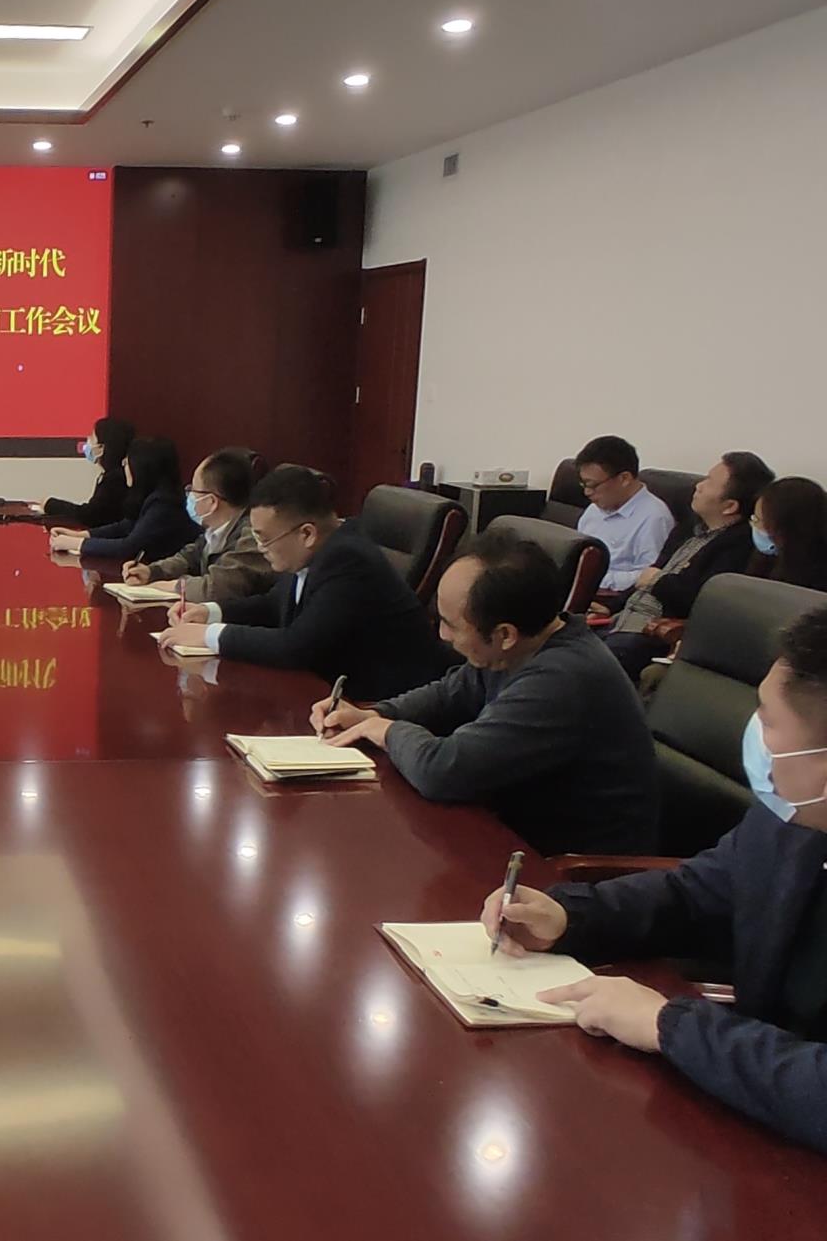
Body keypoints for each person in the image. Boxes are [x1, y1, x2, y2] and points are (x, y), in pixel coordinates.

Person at [477, 605, 827, 1152]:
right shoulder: (794, 814)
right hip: (751, 1117)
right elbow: (697, 892)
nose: (754, 735)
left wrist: (671, 1025)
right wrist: (571, 918)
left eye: (769, 720)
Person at [314, 530, 657, 854]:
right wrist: (373, 714)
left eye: (450, 624)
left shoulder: (561, 680)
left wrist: (387, 730)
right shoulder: (524, 645)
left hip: (564, 869)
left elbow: (442, 771)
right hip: (508, 831)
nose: (442, 636)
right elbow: (450, 694)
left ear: (504, 635)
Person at [158, 465, 452, 699]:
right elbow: (273, 605)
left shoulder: (348, 560)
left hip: (380, 701)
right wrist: (209, 612)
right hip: (327, 688)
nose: (260, 548)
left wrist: (209, 635)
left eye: (264, 538)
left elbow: (295, 647)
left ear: (306, 534)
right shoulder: (316, 550)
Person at [603, 451, 773, 679]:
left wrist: (658, 581)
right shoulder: (689, 528)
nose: (698, 486)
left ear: (729, 506)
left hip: (653, 633)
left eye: (709, 482)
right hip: (621, 618)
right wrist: (611, 606)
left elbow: (700, 601)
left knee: (589, 663)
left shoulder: (738, 547)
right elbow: (650, 574)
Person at [122, 446, 274, 603]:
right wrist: (151, 572)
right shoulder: (213, 530)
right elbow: (188, 558)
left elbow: (216, 589)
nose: (189, 496)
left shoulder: (252, 534)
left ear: (211, 502)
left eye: (193, 490)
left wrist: (168, 586)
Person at [49, 437, 197, 563]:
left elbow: (127, 548)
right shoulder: (153, 495)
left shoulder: (165, 503)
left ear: (141, 466)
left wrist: (76, 544)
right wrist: (79, 535)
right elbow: (126, 526)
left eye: (128, 460)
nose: (124, 464)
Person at [574, 435, 675, 594]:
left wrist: (594, 577)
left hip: (612, 598)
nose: (587, 492)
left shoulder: (654, 517)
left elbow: (649, 577)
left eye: (593, 485)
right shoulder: (594, 509)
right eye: (584, 484)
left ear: (624, 478)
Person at [41, 417, 135, 527]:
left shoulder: (115, 479)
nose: (88, 441)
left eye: (92, 437)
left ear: (101, 448)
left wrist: (51, 504)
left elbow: (91, 515)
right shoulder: (110, 476)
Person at [749, 477, 827, 593]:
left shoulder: (817, 581)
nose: (754, 526)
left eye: (759, 520)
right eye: (754, 518)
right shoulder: (765, 559)